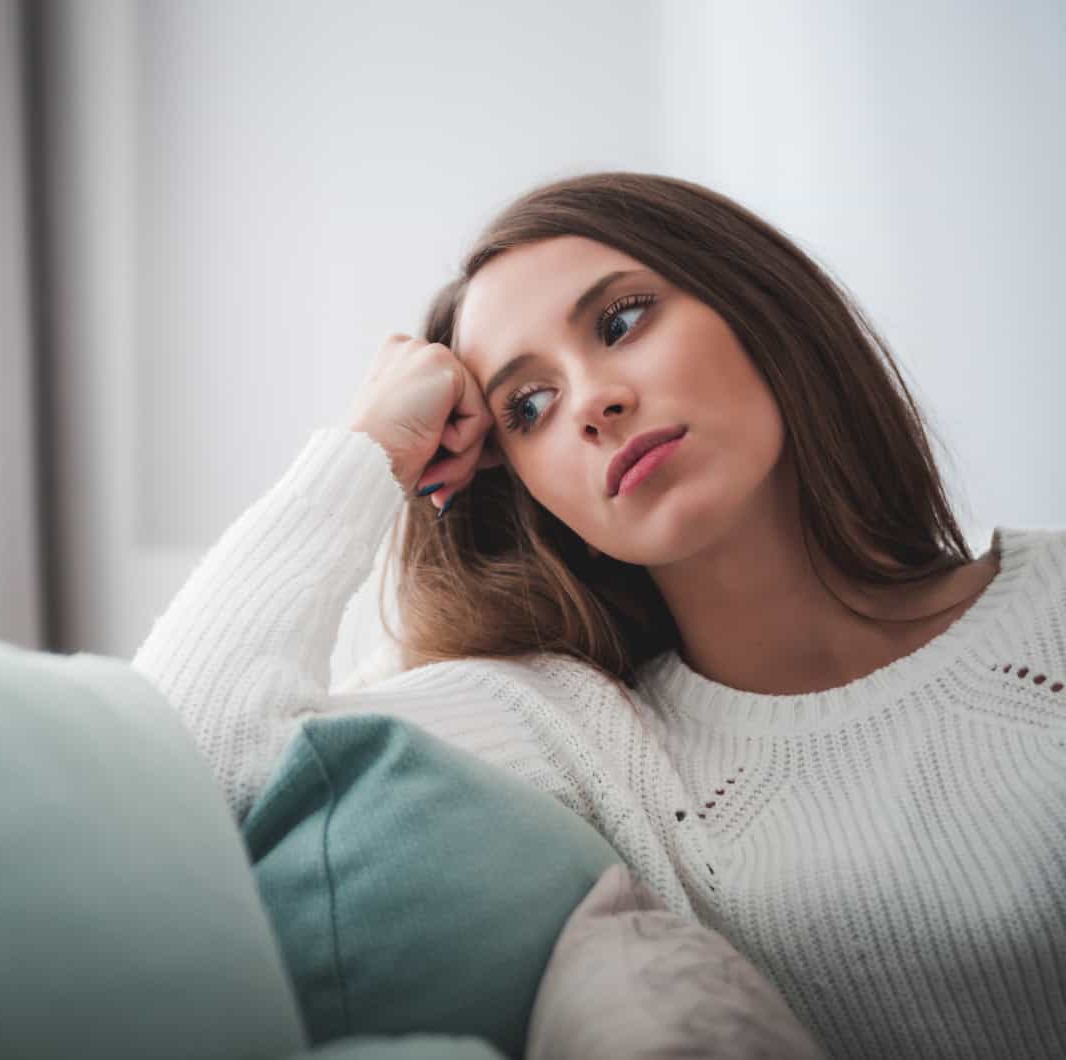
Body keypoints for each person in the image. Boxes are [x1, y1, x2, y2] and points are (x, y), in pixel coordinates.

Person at [130, 171, 1066, 1059]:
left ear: (756, 302)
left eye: (621, 321)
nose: (596, 402)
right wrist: (368, 449)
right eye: (528, 406)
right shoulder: (581, 732)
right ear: (524, 484)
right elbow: (177, 777)